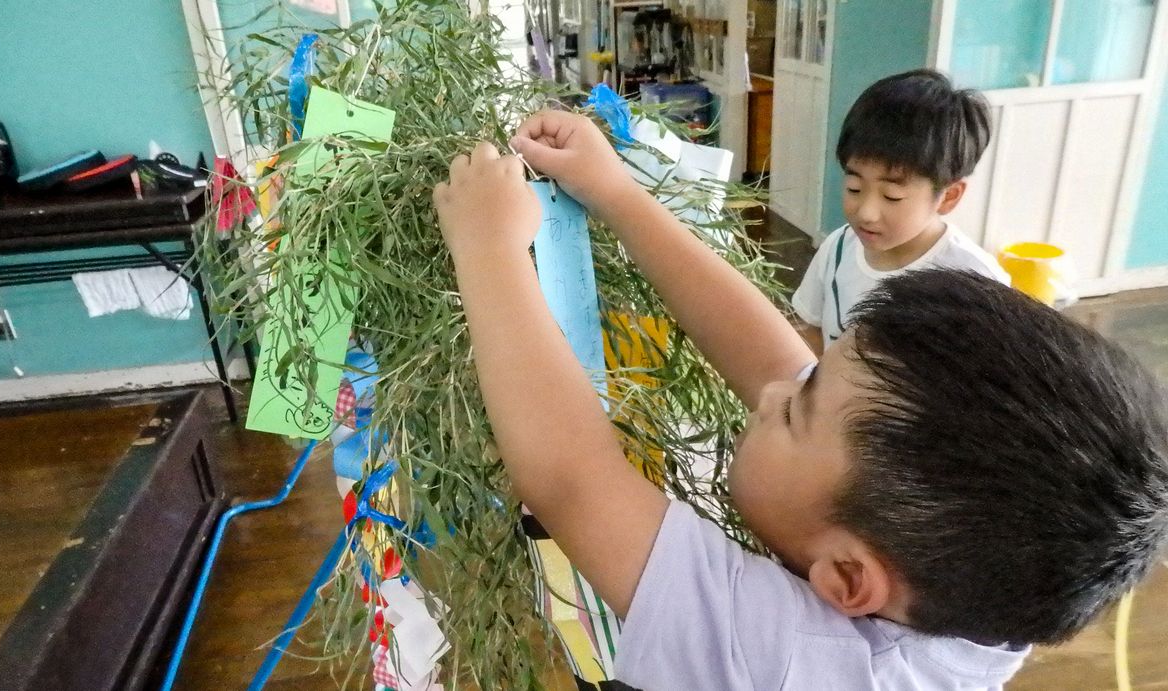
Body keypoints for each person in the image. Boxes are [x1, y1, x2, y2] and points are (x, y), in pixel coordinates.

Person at [431, 110, 1168, 690]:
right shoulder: (974, 589)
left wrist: (488, 247)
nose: (778, 385)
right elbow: (774, 360)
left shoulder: (791, 662)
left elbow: (573, 478)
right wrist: (616, 190)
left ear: (847, 579)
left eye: (793, 410)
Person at [793, 69, 1009, 354]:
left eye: (892, 196)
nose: (866, 213)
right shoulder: (837, 250)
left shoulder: (976, 282)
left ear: (948, 197)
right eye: (854, 188)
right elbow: (810, 330)